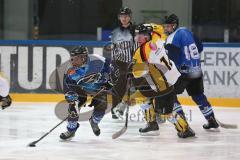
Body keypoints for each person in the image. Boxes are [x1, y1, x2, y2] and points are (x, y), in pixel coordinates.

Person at [132, 24, 195, 138]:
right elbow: (159, 28)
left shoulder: (141, 51)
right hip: (172, 75)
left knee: (165, 113)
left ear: (147, 36)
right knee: (142, 97)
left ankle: (185, 129)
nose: (137, 38)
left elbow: (137, 74)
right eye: (137, 35)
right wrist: (148, 26)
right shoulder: (158, 37)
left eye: (140, 36)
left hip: (164, 84)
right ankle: (151, 123)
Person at [164, 14, 219, 129]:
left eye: (168, 26)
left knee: (170, 95)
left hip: (182, 73)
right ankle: (211, 119)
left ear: (174, 26)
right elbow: (200, 47)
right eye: (166, 26)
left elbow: (172, 57)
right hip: (197, 70)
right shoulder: (188, 31)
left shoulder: (171, 38)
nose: (166, 28)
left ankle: (182, 123)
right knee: (198, 95)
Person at [60, 46, 112, 140]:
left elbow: (113, 69)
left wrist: (111, 82)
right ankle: (71, 130)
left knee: (102, 106)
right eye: (71, 58)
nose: (72, 61)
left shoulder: (98, 61)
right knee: (73, 109)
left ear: (82, 57)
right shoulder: (71, 70)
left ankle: (94, 122)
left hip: (98, 87)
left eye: (74, 59)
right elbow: (68, 86)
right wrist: (71, 97)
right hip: (80, 89)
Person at [110, 6, 137, 119]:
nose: (124, 18)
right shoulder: (115, 31)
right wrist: (113, 63)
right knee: (117, 86)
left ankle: (154, 111)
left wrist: (135, 62)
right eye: (122, 16)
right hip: (119, 62)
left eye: (126, 16)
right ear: (119, 18)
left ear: (130, 17)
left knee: (140, 86)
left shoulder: (136, 30)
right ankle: (115, 110)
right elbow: (113, 47)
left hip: (133, 62)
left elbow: (138, 46)